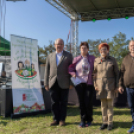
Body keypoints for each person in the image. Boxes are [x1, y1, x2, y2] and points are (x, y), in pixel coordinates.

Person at [44, 38, 73, 126]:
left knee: (63, 102)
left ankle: (62, 120)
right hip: (53, 82)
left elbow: (72, 70)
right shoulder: (50, 56)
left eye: (61, 44)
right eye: (57, 44)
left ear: (63, 46)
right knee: (54, 102)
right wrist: (46, 83)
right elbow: (47, 70)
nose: (59, 46)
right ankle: (55, 119)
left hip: (64, 83)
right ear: (54, 45)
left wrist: (71, 83)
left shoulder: (69, 55)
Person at [68, 42, 95, 127]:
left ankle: (89, 120)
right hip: (79, 83)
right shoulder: (76, 59)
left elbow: (98, 67)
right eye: (82, 48)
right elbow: (70, 68)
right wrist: (73, 74)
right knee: (81, 102)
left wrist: (96, 73)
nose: (83, 49)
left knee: (88, 102)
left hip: (89, 83)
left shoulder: (92, 58)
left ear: (88, 49)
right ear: (80, 49)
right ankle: (83, 120)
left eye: (85, 48)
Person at [94, 43, 119, 130]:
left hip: (110, 86)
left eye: (104, 49)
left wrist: (117, 86)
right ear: (99, 51)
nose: (103, 51)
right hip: (100, 86)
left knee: (110, 105)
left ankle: (110, 124)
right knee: (103, 106)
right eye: (101, 49)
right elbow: (94, 74)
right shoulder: (96, 60)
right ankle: (104, 123)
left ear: (108, 50)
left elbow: (117, 74)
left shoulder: (113, 60)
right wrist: (95, 84)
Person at [118, 40, 134, 133]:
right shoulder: (125, 59)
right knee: (132, 107)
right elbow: (121, 73)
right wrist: (120, 85)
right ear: (129, 47)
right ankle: (133, 125)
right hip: (129, 88)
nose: (133, 47)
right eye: (131, 45)